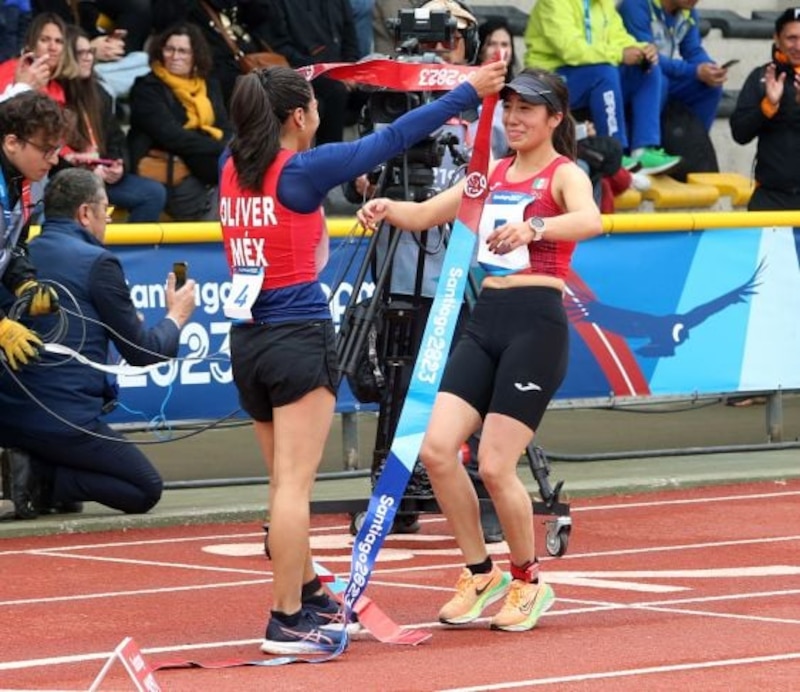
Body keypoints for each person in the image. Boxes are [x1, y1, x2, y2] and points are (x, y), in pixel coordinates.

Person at [219, 59, 505, 654]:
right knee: (295, 489)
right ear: (298, 117)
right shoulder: (299, 171)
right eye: (315, 108)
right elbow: (391, 140)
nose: (321, 117)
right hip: (296, 336)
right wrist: (463, 93)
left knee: (281, 484)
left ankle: (307, 592)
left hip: (247, 340)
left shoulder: (229, 167)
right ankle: (285, 618)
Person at [357, 67, 603, 631]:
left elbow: (591, 219)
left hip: (536, 325)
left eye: (527, 111)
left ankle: (528, 580)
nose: (514, 119)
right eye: (509, 108)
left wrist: (535, 228)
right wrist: (385, 207)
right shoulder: (489, 173)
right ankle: (479, 571)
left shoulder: (564, 175)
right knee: (437, 450)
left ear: (554, 120)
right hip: (485, 319)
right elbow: (423, 216)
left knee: (495, 465)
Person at [0, 167, 197, 519]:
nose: (107, 219)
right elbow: (143, 351)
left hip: (10, 414)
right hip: (64, 420)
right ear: (85, 213)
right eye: (105, 209)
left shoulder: (19, 256)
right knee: (144, 488)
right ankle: (41, 478)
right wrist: (176, 317)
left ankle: (34, 465)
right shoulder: (98, 262)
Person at [0, 90, 65, 518]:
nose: (54, 160)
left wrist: (25, 283)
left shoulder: (21, 182)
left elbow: (12, 246)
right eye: (46, 149)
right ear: (11, 143)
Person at [523, 0, 681, 176]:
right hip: (549, 78)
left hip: (588, 73)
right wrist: (619, 54)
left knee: (648, 69)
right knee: (604, 72)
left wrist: (641, 49)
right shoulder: (553, 3)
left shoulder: (604, 3)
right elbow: (571, 50)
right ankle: (615, 151)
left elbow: (619, 38)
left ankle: (643, 149)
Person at [60, 26, 167, 222]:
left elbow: (116, 138)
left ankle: (134, 253)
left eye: (90, 52)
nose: (87, 58)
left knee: (153, 193)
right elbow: (55, 156)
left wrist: (118, 166)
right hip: (70, 179)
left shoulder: (99, 93)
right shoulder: (55, 95)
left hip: (102, 175)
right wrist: (88, 171)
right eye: (79, 53)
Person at [128, 22, 231, 221]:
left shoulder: (210, 85)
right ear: (160, 51)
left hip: (209, 165)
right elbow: (171, 135)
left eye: (183, 51)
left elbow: (225, 126)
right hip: (174, 173)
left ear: (196, 56)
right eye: (170, 49)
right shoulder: (147, 88)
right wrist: (220, 148)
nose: (175, 57)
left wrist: (227, 146)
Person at [260, 0, 361, 145]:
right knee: (335, 92)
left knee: (372, 86)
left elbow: (350, 37)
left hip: (339, 69)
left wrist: (349, 68)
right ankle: (328, 159)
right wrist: (325, 71)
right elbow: (280, 47)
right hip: (300, 71)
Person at [618, 0, 726, 133]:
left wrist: (710, 68)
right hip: (631, 76)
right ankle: (644, 147)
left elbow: (693, 50)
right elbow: (647, 58)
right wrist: (695, 71)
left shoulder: (688, 11)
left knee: (711, 87)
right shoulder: (636, 5)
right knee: (658, 81)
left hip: (662, 73)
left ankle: (695, 147)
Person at [730, 8, 800, 212]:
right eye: (791, 38)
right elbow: (740, 133)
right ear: (776, 39)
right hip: (770, 198)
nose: (798, 46)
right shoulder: (761, 77)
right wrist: (768, 106)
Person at [0, 12, 74, 106]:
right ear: (29, 45)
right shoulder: (11, 70)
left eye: (59, 41)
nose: (53, 47)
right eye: (44, 40)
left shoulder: (57, 89)